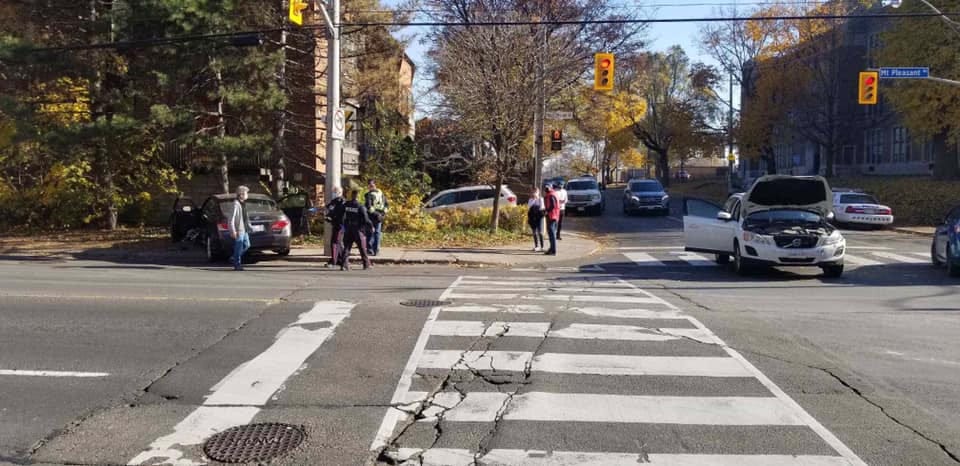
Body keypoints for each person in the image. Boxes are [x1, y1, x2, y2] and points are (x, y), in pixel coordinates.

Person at [339, 189, 373, 270]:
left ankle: (344, 265)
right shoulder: (360, 206)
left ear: (352, 196)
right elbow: (366, 219)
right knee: (362, 247)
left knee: (347, 247)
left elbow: (341, 215)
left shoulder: (346, 205)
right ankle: (366, 264)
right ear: (358, 196)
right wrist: (371, 226)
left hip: (348, 228)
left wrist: (343, 225)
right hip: (357, 229)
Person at [228, 185, 253, 271]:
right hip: (239, 230)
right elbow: (231, 219)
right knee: (238, 246)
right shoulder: (236, 204)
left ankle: (234, 258)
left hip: (244, 229)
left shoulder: (243, 203)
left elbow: (245, 217)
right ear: (241, 194)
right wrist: (233, 231)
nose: (247, 195)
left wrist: (250, 226)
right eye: (246, 193)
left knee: (247, 245)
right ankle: (237, 264)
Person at [364, 179, 389, 256]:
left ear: (375, 185)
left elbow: (386, 204)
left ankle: (373, 250)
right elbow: (369, 206)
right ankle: (372, 249)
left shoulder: (380, 193)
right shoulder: (369, 194)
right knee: (373, 233)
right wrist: (380, 214)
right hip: (375, 216)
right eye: (369, 185)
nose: (371, 186)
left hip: (376, 216)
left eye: (372, 185)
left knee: (374, 233)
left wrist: (382, 213)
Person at [324, 186, 346, 267]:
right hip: (335, 224)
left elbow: (340, 214)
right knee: (338, 242)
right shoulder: (334, 201)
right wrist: (328, 216)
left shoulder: (342, 202)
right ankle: (340, 259)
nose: (333, 193)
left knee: (335, 242)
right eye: (333, 192)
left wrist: (332, 217)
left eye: (335, 192)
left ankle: (334, 261)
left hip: (340, 225)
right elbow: (329, 209)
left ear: (340, 192)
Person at [543, 183, 560, 255]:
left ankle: (553, 250)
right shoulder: (552, 194)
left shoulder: (551, 195)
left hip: (552, 216)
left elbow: (553, 205)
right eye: (545, 187)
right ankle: (552, 249)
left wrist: (547, 211)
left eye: (547, 188)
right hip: (554, 216)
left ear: (551, 188)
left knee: (552, 233)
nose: (546, 189)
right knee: (551, 233)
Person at [527, 187, 545, 252]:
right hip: (532, 217)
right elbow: (528, 207)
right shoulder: (530, 200)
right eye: (533, 192)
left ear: (538, 192)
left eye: (535, 192)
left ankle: (542, 247)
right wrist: (534, 200)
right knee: (534, 232)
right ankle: (536, 246)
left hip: (539, 217)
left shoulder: (541, 199)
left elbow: (542, 208)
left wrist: (537, 199)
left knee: (540, 232)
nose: (534, 193)